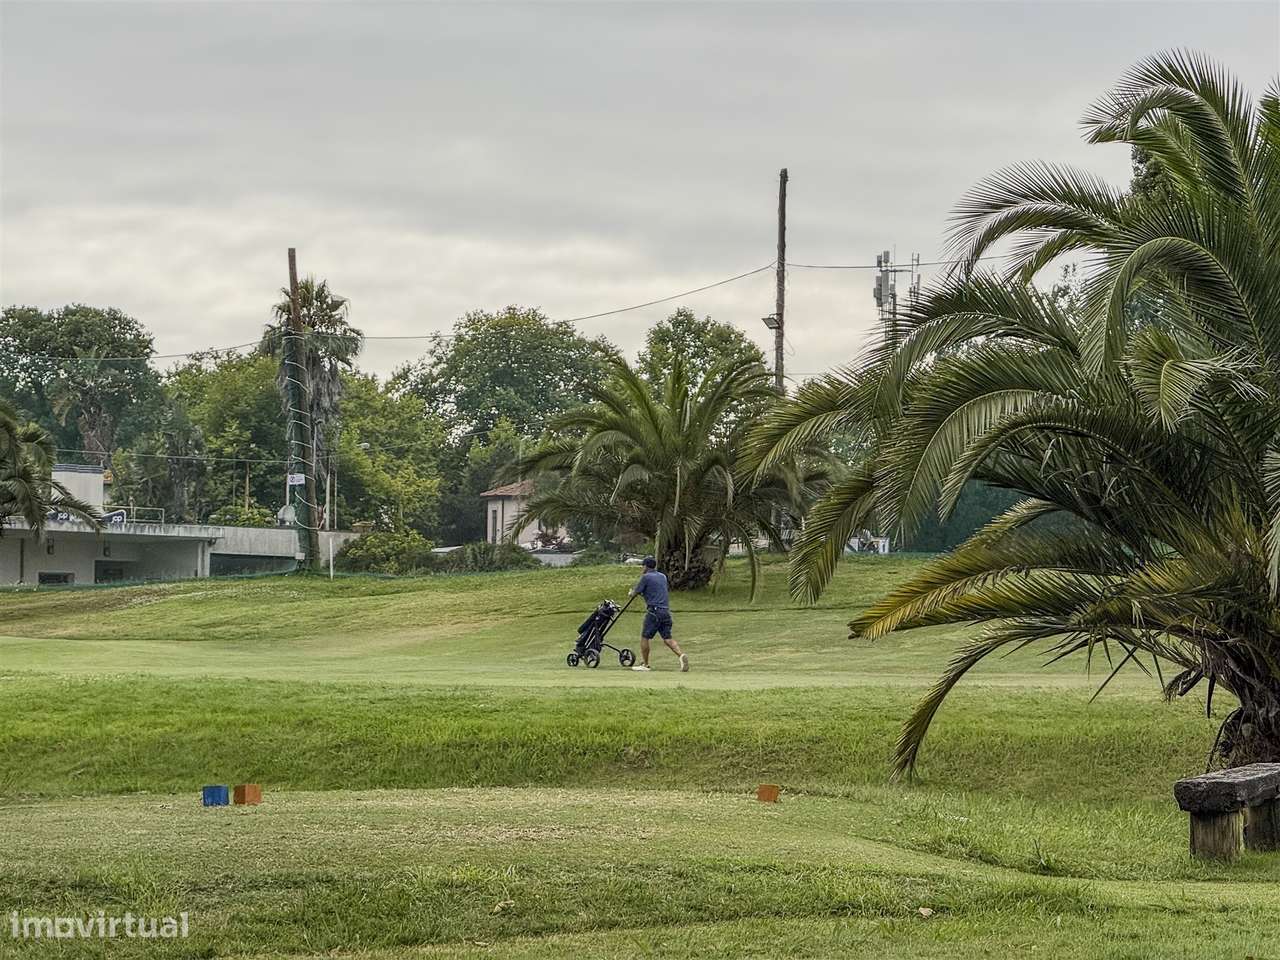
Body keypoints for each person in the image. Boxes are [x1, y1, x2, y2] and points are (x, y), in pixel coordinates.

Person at [629, 556, 688, 672]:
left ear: (645, 566)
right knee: (667, 638)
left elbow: (635, 593)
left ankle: (645, 665)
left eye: (643, 566)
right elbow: (654, 591)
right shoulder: (662, 576)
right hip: (665, 611)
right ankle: (681, 655)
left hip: (654, 612)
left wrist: (631, 593)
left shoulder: (645, 577)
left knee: (645, 637)